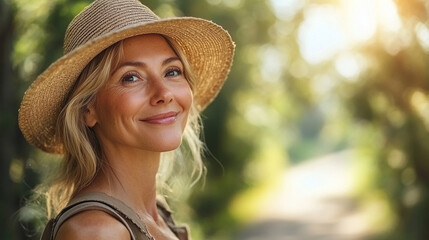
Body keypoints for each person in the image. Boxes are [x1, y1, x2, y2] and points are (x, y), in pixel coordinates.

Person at [18, 0, 234, 239]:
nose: (164, 93)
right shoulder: (98, 231)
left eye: (172, 71)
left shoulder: (157, 215)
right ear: (87, 110)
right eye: (131, 77)